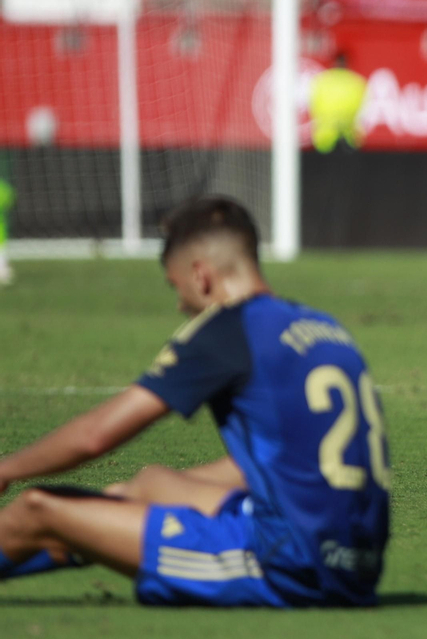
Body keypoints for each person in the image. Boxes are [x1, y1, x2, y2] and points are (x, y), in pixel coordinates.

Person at [0, 197, 390, 604]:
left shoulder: (228, 330)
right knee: (148, 485)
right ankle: (83, 530)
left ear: (201, 276)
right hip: (356, 562)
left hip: (287, 565)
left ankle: (54, 530)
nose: (180, 304)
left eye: (177, 287)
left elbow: (94, 437)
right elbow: (286, 459)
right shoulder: (322, 326)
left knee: (37, 509)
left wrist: (6, 468)